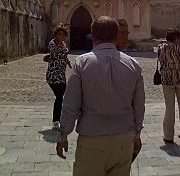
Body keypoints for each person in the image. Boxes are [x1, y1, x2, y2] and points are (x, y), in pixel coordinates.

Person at [56, 16, 145, 176]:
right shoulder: (133, 65)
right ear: (116, 35)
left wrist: (63, 134)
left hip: (91, 139)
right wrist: (136, 134)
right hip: (123, 139)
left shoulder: (82, 63)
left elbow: (70, 104)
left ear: (93, 36)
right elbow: (139, 106)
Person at [158, 28, 180, 143]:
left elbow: (161, 61)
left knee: (169, 108)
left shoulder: (161, 48)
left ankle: (168, 136)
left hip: (167, 79)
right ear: (176, 38)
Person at [46, 24, 72, 129]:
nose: (60, 36)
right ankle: (56, 120)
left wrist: (69, 63)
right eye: (59, 34)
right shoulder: (53, 43)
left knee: (60, 98)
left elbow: (64, 56)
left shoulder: (63, 44)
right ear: (56, 35)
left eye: (62, 34)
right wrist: (63, 49)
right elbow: (56, 53)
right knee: (59, 97)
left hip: (61, 75)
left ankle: (58, 120)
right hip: (53, 75)